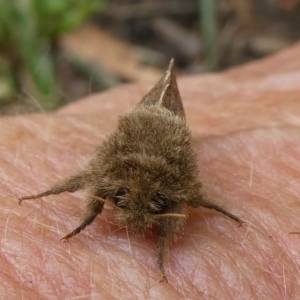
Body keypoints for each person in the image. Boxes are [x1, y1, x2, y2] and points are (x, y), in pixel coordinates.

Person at [2, 45, 300, 298]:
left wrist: (216, 210)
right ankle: (89, 226)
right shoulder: (111, 176)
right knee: (99, 183)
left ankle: (161, 252)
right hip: (148, 135)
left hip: (166, 136)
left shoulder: (170, 189)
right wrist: (73, 214)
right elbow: (88, 180)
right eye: (121, 199)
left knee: (170, 200)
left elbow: (192, 197)